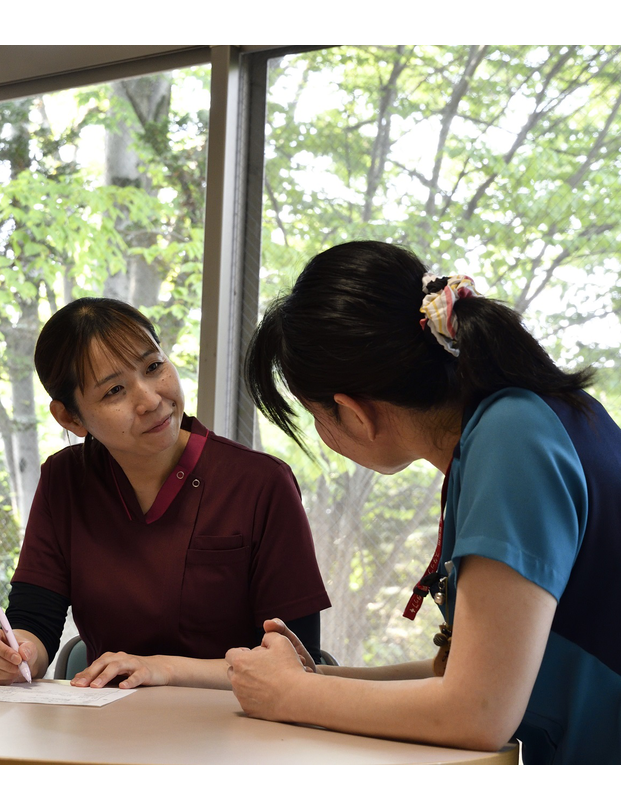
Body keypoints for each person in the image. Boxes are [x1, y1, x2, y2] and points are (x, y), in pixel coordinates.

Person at [228, 240, 621, 764]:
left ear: (353, 412)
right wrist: (311, 680)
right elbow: (463, 673)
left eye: (316, 418)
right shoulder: (529, 419)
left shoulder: (511, 440)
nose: (325, 435)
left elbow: (475, 712)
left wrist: (292, 695)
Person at [0, 298, 330, 689]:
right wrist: (15, 653)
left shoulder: (261, 483)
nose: (150, 401)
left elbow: (299, 660)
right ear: (70, 417)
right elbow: (35, 622)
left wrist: (165, 668)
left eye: (153, 367)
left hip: (238, 729)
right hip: (108, 730)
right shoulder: (65, 479)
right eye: (114, 391)